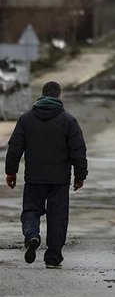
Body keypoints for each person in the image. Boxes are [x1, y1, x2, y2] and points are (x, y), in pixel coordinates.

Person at [4, 80, 88, 268]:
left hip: (34, 178)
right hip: (59, 180)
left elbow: (14, 148)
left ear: (42, 95)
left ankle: (32, 235)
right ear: (59, 96)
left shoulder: (26, 119)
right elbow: (78, 151)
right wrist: (80, 176)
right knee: (57, 217)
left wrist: (11, 172)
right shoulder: (68, 121)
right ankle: (53, 257)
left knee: (30, 211)